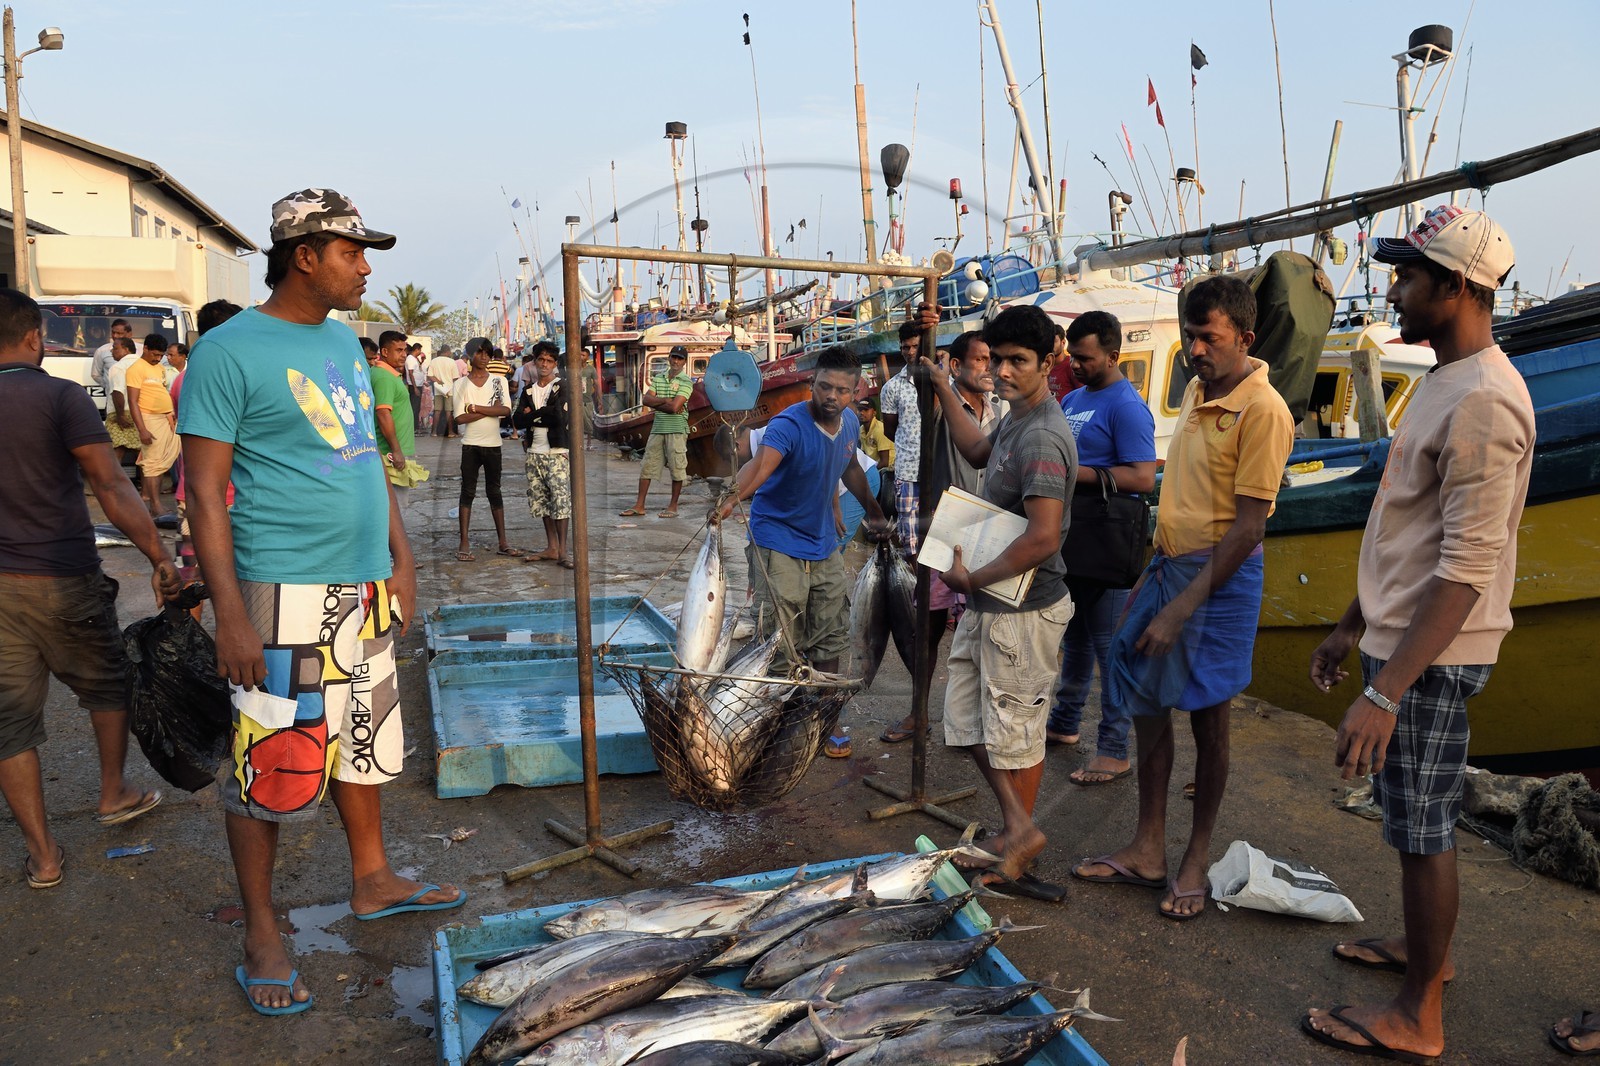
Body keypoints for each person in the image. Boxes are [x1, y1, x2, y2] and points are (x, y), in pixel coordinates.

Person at [180, 188, 463, 1017]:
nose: (366, 268)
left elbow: (369, 457)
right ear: (305, 255)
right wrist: (230, 612)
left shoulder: (343, 343)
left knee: (362, 740)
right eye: (352, 252)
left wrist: (400, 559)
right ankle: (263, 931)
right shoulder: (229, 351)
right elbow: (202, 492)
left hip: (362, 584)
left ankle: (372, 878)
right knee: (272, 761)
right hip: (279, 590)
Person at [1302, 208, 1532, 1063]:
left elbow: (1465, 571)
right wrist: (1349, 625)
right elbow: (1406, 529)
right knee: (1409, 819)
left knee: (1425, 825)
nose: (1394, 288)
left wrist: (1382, 690)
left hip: (1429, 661)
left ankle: (1418, 1016)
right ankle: (1421, 953)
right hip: (1402, 643)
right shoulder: (1444, 378)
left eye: (1409, 275)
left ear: (1460, 288)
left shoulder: (1483, 403)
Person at [1072, 275, 1295, 920]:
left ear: (1245, 338)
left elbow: (1250, 524)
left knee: (1209, 719)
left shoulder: (1265, 410)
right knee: (1143, 694)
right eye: (1191, 337)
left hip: (1219, 580)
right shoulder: (1200, 390)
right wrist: (1160, 579)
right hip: (1170, 566)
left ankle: (1194, 856)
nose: (1195, 350)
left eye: (1208, 338)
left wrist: (1182, 605)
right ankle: (1148, 847)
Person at [0, 288, 176, 891]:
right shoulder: (59, 396)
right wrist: (159, 552)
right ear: (32, 339)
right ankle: (113, 792)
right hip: (62, 576)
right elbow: (109, 483)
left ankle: (43, 856)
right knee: (105, 685)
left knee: (9, 724)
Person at [916, 303, 1077, 899]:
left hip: (1024, 609)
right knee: (967, 722)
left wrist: (971, 579)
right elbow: (978, 452)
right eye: (998, 360)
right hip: (990, 600)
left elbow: (1044, 537)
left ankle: (1020, 841)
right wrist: (940, 385)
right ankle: (1018, 828)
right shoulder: (1014, 419)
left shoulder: (1043, 436)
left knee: (1015, 732)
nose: (1003, 372)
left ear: (1047, 362)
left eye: (1018, 362)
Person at [716, 346, 892, 753]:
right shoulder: (786, 425)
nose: (832, 396)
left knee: (830, 635)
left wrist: (875, 512)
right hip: (777, 540)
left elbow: (847, 465)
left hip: (821, 543)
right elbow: (759, 468)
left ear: (855, 392)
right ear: (812, 384)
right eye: (825, 386)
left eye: (842, 390)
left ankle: (821, 718)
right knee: (780, 639)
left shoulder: (849, 423)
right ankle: (770, 721)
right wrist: (731, 498)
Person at [1046, 311, 1158, 785]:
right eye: (1074, 355)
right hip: (1076, 536)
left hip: (1107, 540)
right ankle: (1065, 722)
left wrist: (1075, 474)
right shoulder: (1074, 397)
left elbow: (1143, 477)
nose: (1077, 364)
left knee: (1110, 646)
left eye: (1087, 358)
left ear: (1114, 356)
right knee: (1074, 640)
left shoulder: (1127, 407)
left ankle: (1114, 748)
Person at [881, 330, 1006, 745]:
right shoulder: (939, 403)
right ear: (956, 366)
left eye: (992, 360)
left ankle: (981, 719)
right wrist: (927, 323)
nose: (990, 368)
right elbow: (922, 382)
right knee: (929, 628)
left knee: (987, 628)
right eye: (982, 360)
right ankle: (919, 713)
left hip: (987, 530)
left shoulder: (1000, 407)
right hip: (944, 529)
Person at [452, 338, 520, 561]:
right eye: (479, 353)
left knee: (495, 492)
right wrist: (491, 411)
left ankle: (503, 542)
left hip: (493, 445)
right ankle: (464, 542)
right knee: (467, 492)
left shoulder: (499, 380)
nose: (484, 357)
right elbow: (460, 418)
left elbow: (506, 410)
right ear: (470, 355)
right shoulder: (460, 384)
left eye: (487, 353)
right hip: (470, 445)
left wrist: (476, 408)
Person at [512, 342, 573, 567]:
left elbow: (558, 417)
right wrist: (540, 415)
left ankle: (564, 551)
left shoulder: (562, 386)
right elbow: (517, 419)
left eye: (549, 361)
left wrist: (532, 414)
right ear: (534, 362)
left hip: (557, 451)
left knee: (560, 500)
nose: (545, 364)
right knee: (542, 501)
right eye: (541, 360)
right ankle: (552, 547)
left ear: (555, 364)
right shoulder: (528, 390)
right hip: (534, 452)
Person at [622, 344, 694, 518]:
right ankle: (639, 505)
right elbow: (646, 399)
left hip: (676, 430)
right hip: (658, 429)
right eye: (673, 357)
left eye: (679, 358)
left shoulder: (686, 381)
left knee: (677, 468)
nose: (675, 361)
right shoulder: (659, 377)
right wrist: (666, 400)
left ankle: (673, 506)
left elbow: (674, 407)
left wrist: (659, 402)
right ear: (669, 358)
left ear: (684, 362)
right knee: (647, 466)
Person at [877, 320, 925, 552]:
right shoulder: (892, 387)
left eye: (915, 346)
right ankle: (915, 584)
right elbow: (889, 429)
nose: (910, 352)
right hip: (907, 469)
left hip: (938, 467)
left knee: (937, 531)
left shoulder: (943, 380)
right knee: (909, 537)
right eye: (905, 347)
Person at [372, 330, 427, 506]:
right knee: (395, 511)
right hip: (391, 455)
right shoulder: (384, 377)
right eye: (398, 350)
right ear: (385, 352)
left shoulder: (389, 374)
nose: (404, 355)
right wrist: (396, 450)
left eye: (405, 350)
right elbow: (383, 413)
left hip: (397, 452)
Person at [126, 332, 178, 517]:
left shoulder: (160, 369)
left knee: (162, 460)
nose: (158, 358)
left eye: (161, 355)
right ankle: (155, 506)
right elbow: (133, 401)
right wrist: (142, 429)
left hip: (166, 419)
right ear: (145, 348)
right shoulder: (135, 368)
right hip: (149, 419)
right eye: (154, 354)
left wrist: (170, 416)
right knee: (153, 463)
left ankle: (155, 505)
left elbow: (162, 393)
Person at [105, 335, 143, 462]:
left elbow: (117, 391)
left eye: (115, 348)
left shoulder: (118, 367)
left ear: (126, 349)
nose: (111, 351)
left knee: (116, 451)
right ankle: (144, 481)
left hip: (121, 413)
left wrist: (120, 415)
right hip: (142, 413)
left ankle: (113, 480)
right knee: (142, 452)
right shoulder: (143, 365)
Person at [90, 317, 132, 400]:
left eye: (119, 333)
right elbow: (96, 374)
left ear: (129, 334)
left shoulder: (141, 350)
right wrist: (109, 386)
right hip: (113, 401)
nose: (115, 336)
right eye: (113, 332)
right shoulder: (102, 351)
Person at [428, 344, 460, 437]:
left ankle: (434, 432)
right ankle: (450, 432)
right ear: (448, 351)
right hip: (449, 390)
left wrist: (439, 382)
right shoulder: (451, 362)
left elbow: (430, 375)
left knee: (437, 411)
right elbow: (455, 378)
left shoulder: (434, 361)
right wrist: (449, 385)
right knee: (448, 411)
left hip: (438, 390)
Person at [1047, 321, 1081, 402]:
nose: (1051, 345)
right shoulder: (1045, 366)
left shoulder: (1071, 365)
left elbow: (1082, 392)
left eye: (1054, 341)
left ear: (1063, 342)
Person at [857, 397, 894, 469]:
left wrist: (870, 473)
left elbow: (885, 462)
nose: (861, 413)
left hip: (888, 470)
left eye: (866, 410)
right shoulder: (861, 429)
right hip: (873, 466)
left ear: (874, 413)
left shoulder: (880, 429)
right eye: (860, 410)